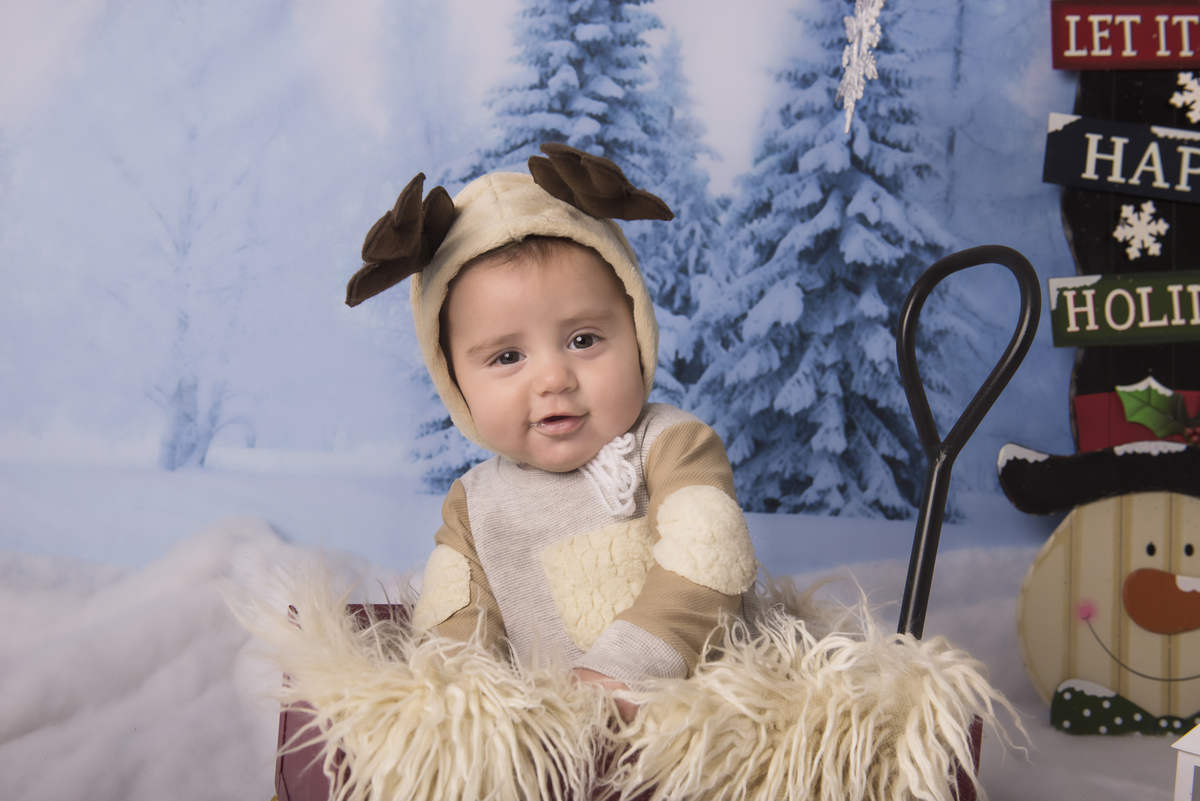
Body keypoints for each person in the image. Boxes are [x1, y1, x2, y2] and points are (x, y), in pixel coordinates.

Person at [347, 145, 758, 720]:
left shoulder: (673, 445)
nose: (553, 378)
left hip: (696, 723)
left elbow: (706, 564)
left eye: (584, 340)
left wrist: (620, 672)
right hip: (555, 748)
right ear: (455, 381)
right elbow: (455, 621)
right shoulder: (476, 505)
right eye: (507, 356)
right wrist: (460, 714)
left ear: (637, 331)